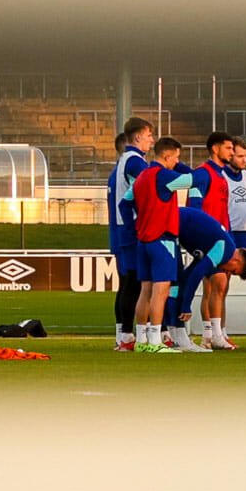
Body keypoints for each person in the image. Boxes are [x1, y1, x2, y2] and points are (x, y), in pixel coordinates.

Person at [186, 132, 246, 350]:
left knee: (219, 286)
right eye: (228, 149)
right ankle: (210, 334)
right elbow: (194, 207)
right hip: (208, 239)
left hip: (223, 236)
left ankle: (214, 334)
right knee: (214, 284)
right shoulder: (203, 174)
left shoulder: (221, 176)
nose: (233, 153)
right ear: (216, 149)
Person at [128, 136, 196, 353]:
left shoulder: (142, 177)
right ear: (166, 156)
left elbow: (125, 202)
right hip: (162, 239)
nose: (177, 161)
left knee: (145, 291)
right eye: (175, 157)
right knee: (161, 291)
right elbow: (193, 178)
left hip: (143, 239)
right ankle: (156, 340)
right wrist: (182, 167)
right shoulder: (165, 176)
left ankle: (141, 339)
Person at [164, 206, 246, 351]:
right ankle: (177, 337)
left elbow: (192, 272)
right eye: (233, 271)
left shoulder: (215, 244)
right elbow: (197, 274)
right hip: (169, 225)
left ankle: (175, 335)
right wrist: (186, 306)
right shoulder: (225, 250)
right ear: (237, 260)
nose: (227, 272)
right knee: (175, 284)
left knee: (176, 283)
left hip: (171, 223)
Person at [105, 116, 154, 351]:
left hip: (120, 230)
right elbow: (147, 193)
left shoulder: (122, 164)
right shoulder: (135, 162)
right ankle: (127, 335)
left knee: (127, 284)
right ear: (137, 137)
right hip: (131, 231)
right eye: (148, 136)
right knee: (134, 284)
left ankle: (122, 335)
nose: (151, 141)